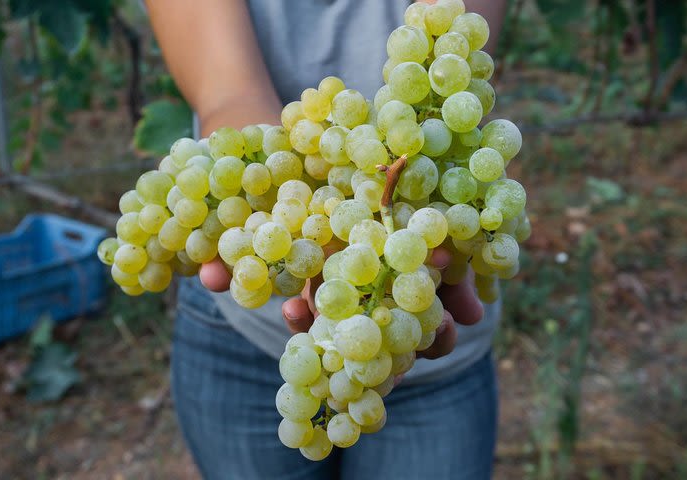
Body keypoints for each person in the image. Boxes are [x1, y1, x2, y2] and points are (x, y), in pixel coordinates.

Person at [145, 1, 507, 478]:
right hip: (237, 332)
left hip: (437, 341)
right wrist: (277, 187)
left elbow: (456, 51)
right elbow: (227, 93)